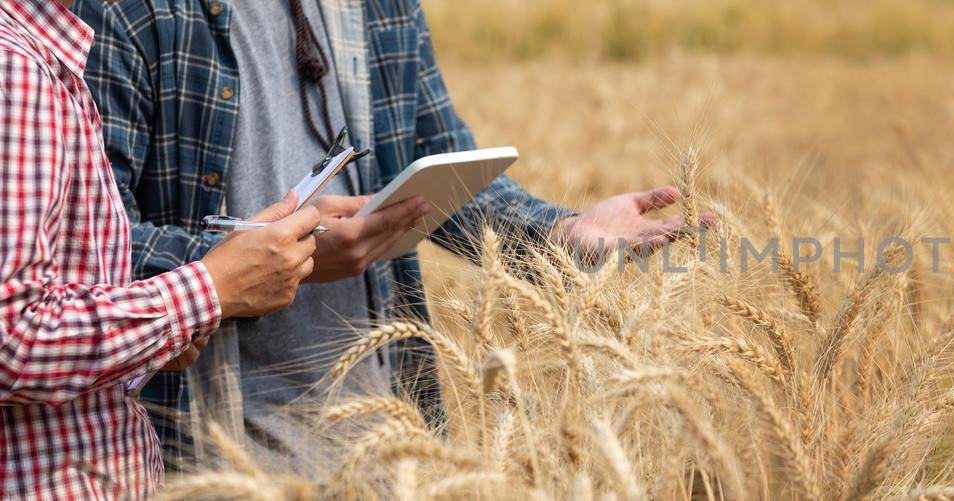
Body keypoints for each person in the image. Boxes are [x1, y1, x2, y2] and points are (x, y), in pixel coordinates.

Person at [73, 0, 705, 474]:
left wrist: (560, 233)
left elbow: (435, 158)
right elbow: (90, 244)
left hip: (387, 438)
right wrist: (270, 264)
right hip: (210, 448)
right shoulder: (122, 9)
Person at [0, 0, 326, 496]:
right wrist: (211, 287)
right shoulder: (16, 68)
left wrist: (152, 343)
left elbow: (54, 297)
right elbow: (13, 339)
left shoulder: (42, 53)